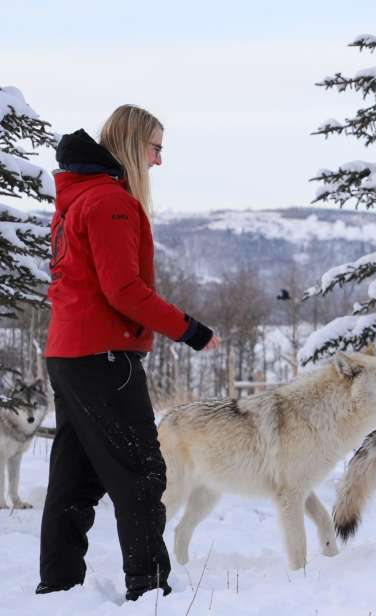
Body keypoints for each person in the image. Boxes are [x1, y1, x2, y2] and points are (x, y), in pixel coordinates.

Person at [39, 105, 220, 601]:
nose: (159, 160)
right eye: (156, 148)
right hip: (103, 356)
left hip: (69, 354)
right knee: (142, 472)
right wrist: (191, 331)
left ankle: (58, 589)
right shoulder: (110, 202)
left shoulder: (77, 198)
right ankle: (152, 591)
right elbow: (124, 290)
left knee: (74, 478)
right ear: (134, 144)